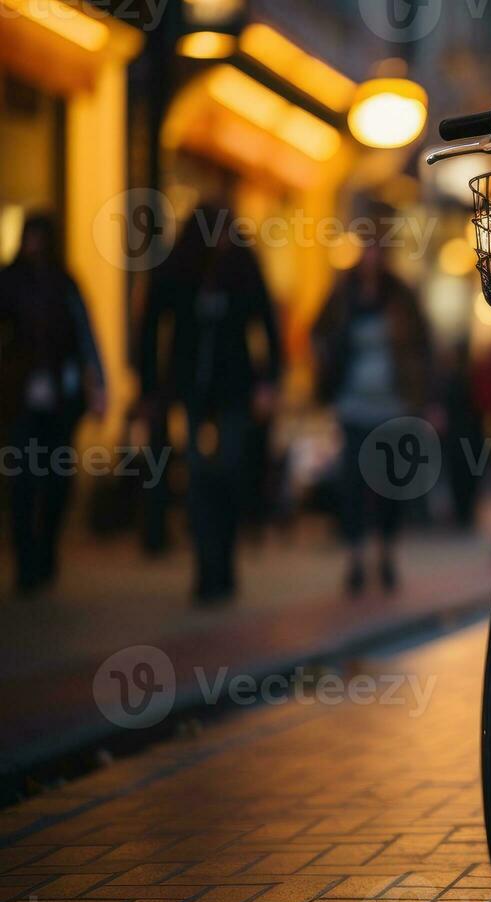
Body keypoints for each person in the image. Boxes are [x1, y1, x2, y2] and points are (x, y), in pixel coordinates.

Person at [138, 204, 280, 604]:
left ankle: (225, 562)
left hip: (234, 390)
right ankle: (206, 566)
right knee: (199, 477)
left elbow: (266, 321)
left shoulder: (242, 266)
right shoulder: (180, 268)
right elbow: (151, 323)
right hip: (191, 393)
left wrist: (269, 381)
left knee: (230, 472)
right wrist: (150, 388)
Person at [314, 225, 434, 595]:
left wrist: (427, 398)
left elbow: (422, 346)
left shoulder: (400, 295)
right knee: (352, 480)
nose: (371, 257)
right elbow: (318, 332)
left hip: (393, 405)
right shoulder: (343, 293)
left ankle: (385, 552)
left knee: (389, 482)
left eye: (377, 251)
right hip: (353, 404)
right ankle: (355, 557)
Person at [0, 215, 106, 595]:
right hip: (21, 398)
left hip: (61, 398)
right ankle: (27, 561)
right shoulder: (10, 282)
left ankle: (46, 553)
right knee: (24, 480)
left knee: (58, 478)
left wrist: (98, 386)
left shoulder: (65, 283)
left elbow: (85, 334)